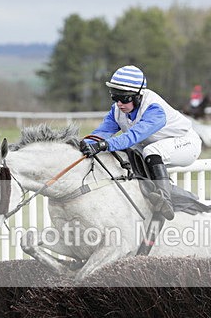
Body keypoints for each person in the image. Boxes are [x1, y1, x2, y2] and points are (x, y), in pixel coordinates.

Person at [79, 65, 202, 220]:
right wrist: (82, 145)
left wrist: (103, 145)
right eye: (115, 97)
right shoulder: (117, 111)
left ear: (138, 96)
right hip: (154, 144)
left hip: (186, 143)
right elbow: (101, 133)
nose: (119, 104)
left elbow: (132, 137)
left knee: (150, 151)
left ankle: (165, 201)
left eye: (124, 98)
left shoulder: (154, 109)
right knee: (128, 153)